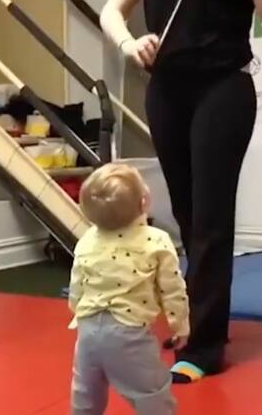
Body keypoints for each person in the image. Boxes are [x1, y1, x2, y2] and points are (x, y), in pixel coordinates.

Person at [99, 0, 262, 383]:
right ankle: (192, 322)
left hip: (222, 89)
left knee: (210, 216)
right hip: (166, 91)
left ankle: (206, 345)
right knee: (184, 212)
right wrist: (129, 42)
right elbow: (111, 10)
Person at [68, 163, 189, 415]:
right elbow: (173, 289)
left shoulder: (87, 239)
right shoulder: (155, 240)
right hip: (128, 333)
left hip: (88, 330)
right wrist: (180, 325)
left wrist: (76, 308)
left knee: (86, 393)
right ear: (144, 202)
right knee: (151, 392)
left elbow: (77, 283)